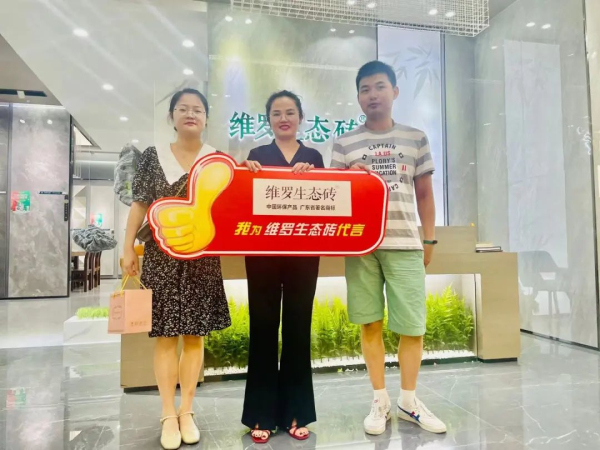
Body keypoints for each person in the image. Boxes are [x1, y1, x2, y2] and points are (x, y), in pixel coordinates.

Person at [330, 61, 447, 435]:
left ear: (394, 92)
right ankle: (379, 400)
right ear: (358, 97)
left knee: (412, 325)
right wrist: (350, 182)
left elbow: (425, 194)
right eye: (365, 89)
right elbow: (335, 198)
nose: (372, 95)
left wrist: (429, 238)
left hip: (404, 242)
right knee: (370, 322)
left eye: (380, 86)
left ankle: (409, 401)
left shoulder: (415, 137)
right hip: (361, 244)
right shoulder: (344, 143)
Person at [122, 88, 231, 450]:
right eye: (183, 108)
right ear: (172, 116)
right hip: (161, 258)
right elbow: (139, 205)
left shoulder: (216, 160)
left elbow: (232, 204)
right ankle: (168, 413)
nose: (190, 114)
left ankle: (187, 411)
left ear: (206, 118)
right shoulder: (153, 156)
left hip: (203, 258)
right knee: (166, 336)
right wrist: (127, 247)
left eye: (197, 109)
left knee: (195, 336)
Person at [241, 90, 324, 444]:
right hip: (261, 252)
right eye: (276, 113)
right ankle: (260, 414)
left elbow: (329, 202)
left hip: (304, 252)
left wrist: (313, 177)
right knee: (262, 328)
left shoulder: (314, 157)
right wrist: (243, 174)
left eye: (290, 112)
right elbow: (243, 200)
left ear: (301, 118)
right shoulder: (256, 156)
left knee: (297, 329)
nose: (284, 118)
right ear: (268, 120)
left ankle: (296, 412)